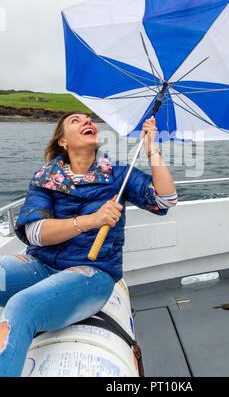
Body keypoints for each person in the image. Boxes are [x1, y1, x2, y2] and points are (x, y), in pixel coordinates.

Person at [0, 111, 177, 377]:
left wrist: (152, 147)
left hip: (93, 273)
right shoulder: (45, 178)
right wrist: (92, 220)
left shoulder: (119, 175)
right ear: (62, 141)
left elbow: (165, 200)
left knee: (22, 306)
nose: (88, 122)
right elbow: (36, 232)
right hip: (40, 265)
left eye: (89, 120)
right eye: (76, 120)